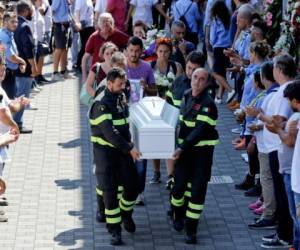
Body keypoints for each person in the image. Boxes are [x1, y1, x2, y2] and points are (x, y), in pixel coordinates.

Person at [248, 54, 296, 248]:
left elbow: (279, 121)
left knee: (283, 195)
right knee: (282, 193)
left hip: (280, 149)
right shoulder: (284, 90)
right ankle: (283, 231)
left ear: (279, 69)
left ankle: (285, 234)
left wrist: (260, 115)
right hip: (276, 148)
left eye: (275, 67)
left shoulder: (286, 92)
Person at [89, 67, 140, 245]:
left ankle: (125, 214)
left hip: (122, 151)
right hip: (106, 154)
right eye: (119, 84)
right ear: (109, 84)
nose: (122, 87)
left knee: (133, 186)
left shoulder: (120, 97)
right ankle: (115, 230)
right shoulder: (100, 104)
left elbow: (125, 124)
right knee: (109, 192)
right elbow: (109, 133)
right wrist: (130, 148)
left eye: (124, 83)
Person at [171, 68, 219, 244]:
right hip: (184, 151)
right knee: (179, 187)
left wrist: (180, 147)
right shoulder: (185, 94)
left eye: (202, 79)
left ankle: (191, 229)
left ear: (206, 83)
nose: (197, 81)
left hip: (201, 154)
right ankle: (177, 215)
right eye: (195, 77)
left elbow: (199, 131)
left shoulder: (208, 104)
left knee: (197, 191)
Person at [265, 81, 300, 250]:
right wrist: (283, 124)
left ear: (296, 101)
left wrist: (278, 129)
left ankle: (294, 242)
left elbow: (289, 140)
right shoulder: (295, 118)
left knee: (295, 214)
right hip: (291, 173)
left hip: (294, 176)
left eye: (289, 101)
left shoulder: (297, 118)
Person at [245, 62, 278, 229]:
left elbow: (274, 122)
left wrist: (256, 122)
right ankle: (269, 207)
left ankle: (269, 213)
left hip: (268, 144)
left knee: (267, 178)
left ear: (264, 78)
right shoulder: (273, 94)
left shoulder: (270, 96)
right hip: (269, 143)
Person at [125, 36, 156, 205]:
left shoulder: (146, 68)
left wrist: (147, 87)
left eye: (137, 51)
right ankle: (127, 188)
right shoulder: (121, 67)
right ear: (126, 51)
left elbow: (155, 90)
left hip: (142, 118)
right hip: (124, 117)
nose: (134, 54)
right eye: (131, 50)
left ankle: (139, 191)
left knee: (141, 157)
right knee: (125, 155)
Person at [81, 12, 129, 83]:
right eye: (103, 21)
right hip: (97, 73)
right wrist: (84, 77)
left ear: (112, 23)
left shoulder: (118, 34)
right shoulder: (94, 37)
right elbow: (85, 58)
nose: (106, 23)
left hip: (114, 72)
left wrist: (125, 56)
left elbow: (130, 42)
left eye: (108, 21)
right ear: (99, 24)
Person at [14, 0, 38, 134]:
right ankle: (17, 124)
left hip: (14, 67)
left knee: (17, 94)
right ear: (26, 10)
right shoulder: (24, 26)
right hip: (24, 67)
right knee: (22, 96)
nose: (33, 12)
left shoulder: (14, 25)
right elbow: (28, 48)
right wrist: (33, 66)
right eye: (32, 10)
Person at [209, 0, 235, 104]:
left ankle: (230, 90)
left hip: (218, 48)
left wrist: (211, 45)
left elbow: (212, 38)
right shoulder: (229, 20)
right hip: (228, 48)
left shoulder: (215, 21)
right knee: (222, 73)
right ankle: (219, 96)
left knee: (215, 73)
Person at [0, 12, 27, 99]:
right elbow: (11, 57)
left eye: (16, 22)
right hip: (5, 75)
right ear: (4, 22)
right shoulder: (4, 36)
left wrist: (19, 63)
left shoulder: (9, 34)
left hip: (9, 73)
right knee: (9, 102)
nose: (15, 24)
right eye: (12, 22)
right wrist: (22, 62)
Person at [51, 0, 71, 81]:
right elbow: (52, 10)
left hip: (65, 25)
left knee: (64, 49)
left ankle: (63, 71)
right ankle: (55, 73)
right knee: (59, 49)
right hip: (60, 26)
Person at [74, 0, 95, 71]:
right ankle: (79, 64)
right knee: (85, 46)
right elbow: (77, 11)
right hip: (84, 25)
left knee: (88, 46)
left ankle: (85, 65)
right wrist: (78, 23)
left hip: (90, 25)